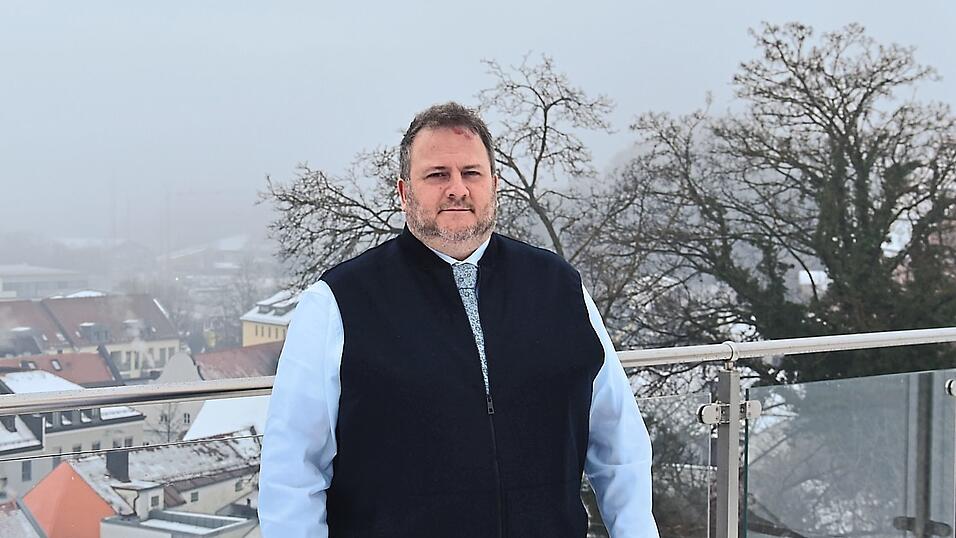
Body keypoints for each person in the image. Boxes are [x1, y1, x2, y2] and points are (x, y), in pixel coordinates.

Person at [259, 102, 658, 537]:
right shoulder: (338, 303)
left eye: (472, 173)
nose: (457, 189)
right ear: (403, 191)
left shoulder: (559, 288)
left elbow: (619, 444)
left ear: (495, 185)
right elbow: (293, 472)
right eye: (436, 175)